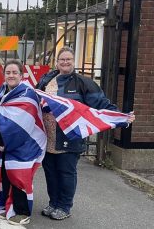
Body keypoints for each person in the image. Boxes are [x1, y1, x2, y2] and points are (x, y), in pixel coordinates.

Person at [36, 47, 134, 220]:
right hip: (48, 137)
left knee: (66, 172)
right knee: (50, 172)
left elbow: (101, 103)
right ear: (56, 62)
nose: (65, 62)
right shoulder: (47, 79)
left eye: (68, 59)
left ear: (74, 61)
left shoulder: (83, 83)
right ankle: (53, 203)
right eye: (62, 59)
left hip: (69, 136)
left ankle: (64, 207)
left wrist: (120, 116)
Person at [0, 59, 45, 225]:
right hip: (6, 143)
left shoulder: (27, 93)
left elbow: (24, 122)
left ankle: (22, 212)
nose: (11, 75)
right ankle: (10, 209)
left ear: (21, 75)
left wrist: (8, 142)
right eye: (8, 72)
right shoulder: (1, 91)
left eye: (15, 72)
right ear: (4, 75)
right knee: (7, 176)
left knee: (20, 177)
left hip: (23, 144)